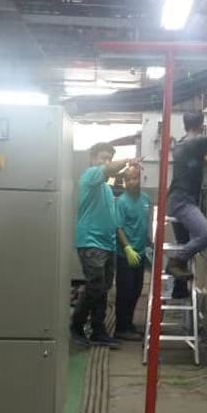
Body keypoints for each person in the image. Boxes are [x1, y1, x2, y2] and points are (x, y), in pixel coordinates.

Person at [71, 142, 133, 348]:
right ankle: (76, 326)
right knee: (94, 287)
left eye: (109, 158)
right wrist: (126, 161)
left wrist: (124, 245)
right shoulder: (90, 176)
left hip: (107, 244)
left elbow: (114, 220)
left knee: (104, 288)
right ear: (92, 159)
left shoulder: (106, 189)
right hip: (91, 241)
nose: (105, 162)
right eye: (102, 158)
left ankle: (98, 331)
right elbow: (108, 169)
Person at [166, 111, 207, 279]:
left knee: (184, 243)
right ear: (202, 126)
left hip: (177, 199)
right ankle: (174, 262)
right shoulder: (200, 140)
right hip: (183, 202)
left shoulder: (182, 144)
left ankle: (179, 291)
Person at [114, 165, 151, 340]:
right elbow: (118, 227)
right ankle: (121, 328)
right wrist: (127, 248)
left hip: (141, 252)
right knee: (125, 291)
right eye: (128, 179)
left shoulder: (145, 199)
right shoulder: (121, 201)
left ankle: (128, 323)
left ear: (140, 179)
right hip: (126, 255)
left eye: (134, 178)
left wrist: (149, 243)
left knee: (136, 290)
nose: (131, 182)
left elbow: (146, 222)